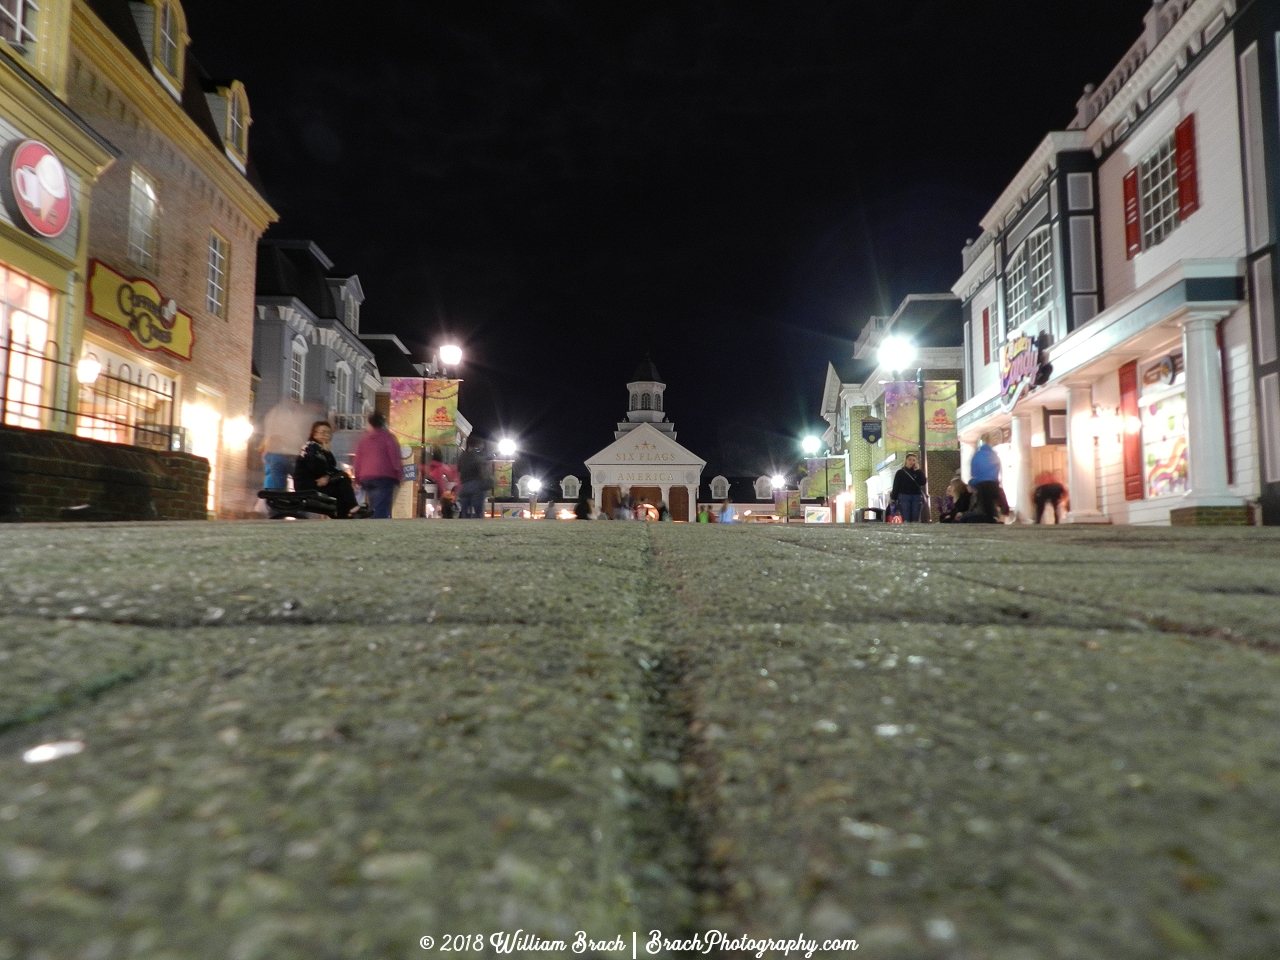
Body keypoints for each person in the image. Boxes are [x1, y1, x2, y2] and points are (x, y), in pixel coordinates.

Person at [294, 421, 360, 518]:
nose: (326, 435)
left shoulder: (321, 448)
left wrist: (327, 475)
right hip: (308, 484)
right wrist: (327, 474)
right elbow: (316, 468)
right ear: (314, 434)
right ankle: (349, 510)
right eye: (322, 432)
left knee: (343, 478)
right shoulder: (310, 447)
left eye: (328, 432)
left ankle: (347, 513)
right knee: (341, 485)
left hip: (319, 482)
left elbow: (332, 468)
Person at [353, 412, 402, 519]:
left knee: (374, 504)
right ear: (383, 423)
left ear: (370, 424)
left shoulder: (364, 440)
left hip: (366, 478)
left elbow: (358, 460)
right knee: (381, 507)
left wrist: (357, 478)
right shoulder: (389, 438)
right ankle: (378, 528)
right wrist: (399, 475)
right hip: (384, 477)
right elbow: (395, 458)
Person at [968, 441, 1006, 522]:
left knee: (986, 503)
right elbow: (998, 469)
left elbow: (974, 470)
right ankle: (999, 514)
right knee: (994, 498)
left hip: (982, 483)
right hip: (994, 482)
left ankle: (990, 518)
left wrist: (974, 480)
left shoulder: (978, 455)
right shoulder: (994, 456)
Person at [456, 440, 491, 519]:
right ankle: (478, 526)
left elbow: (458, 470)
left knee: (464, 510)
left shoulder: (462, 456)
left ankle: (464, 527)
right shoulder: (477, 455)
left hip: (463, 485)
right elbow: (481, 468)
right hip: (476, 484)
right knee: (478, 511)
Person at [890, 452, 927, 522]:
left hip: (916, 496)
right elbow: (896, 486)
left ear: (916, 462)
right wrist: (893, 498)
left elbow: (923, 482)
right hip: (904, 496)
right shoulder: (900, 472)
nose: (911, 462)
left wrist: (918, 471)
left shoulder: (918, 472)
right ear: (906, 461)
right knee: (906, 517)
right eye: (909, 459)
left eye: (914, 460)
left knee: (915, 517)